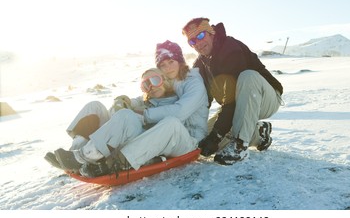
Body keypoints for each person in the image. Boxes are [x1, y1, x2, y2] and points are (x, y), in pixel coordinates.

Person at [54, 41, 209, 177]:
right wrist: (124, 102)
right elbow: (143, 99)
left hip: (188, 139)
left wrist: (144, 115)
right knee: (100, 108)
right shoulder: (162, 87)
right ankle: (78, 152)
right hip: (158, 138)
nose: (167, 68)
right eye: (163, 65)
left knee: (171, 123)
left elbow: (179, 112)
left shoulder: (191, 82)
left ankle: (109, 162)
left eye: (171, 62)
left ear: (180, 61)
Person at [182, 17, 284, 165]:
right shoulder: (201, 63)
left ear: (211, 33)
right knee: (203, 139)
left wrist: (217, 135)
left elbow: (233, 100)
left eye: (201, 36)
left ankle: (240, 145)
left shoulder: (230, 48)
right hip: (236, 105)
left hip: (265, 97)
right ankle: (259, 134)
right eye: (192, 41)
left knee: (247, 76)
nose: (198, 43)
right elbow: (200, 98)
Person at [44, 68, 178, 172]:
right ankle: (76, 152)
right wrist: (120, 101)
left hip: (140, 146)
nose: (151, 87)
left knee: (126, 115)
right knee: (95, 106)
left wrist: (132, 113)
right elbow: (130, 103)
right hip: (119, 139)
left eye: (155, 81)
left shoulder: (174, 104)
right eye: (145, 85)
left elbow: (163, 127)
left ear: (165, 80)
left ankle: (83, 157)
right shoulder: (146, 99)